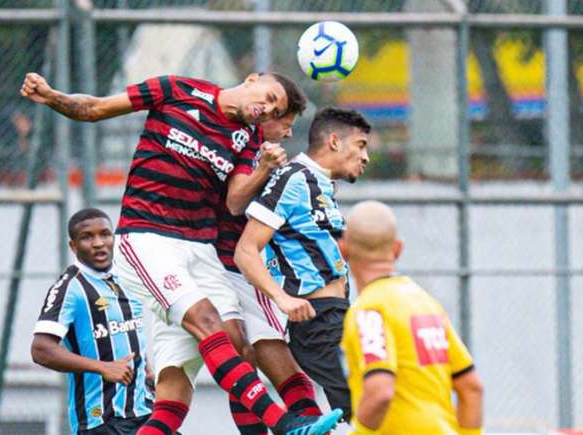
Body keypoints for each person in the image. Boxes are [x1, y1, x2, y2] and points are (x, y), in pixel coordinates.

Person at [21, 72, 343, 435]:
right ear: (251, 80)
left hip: (200, 250)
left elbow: (235, 201)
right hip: (147, 237)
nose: (267, 109)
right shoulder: (177, 90)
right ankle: (287, 425)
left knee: (224, 352)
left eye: (275, 110)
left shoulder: (248, 138)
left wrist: (265, 167)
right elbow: (96, 108)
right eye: (269, 98)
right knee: (208, 322)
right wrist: (52, 96)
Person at [150, 113, 323, 435]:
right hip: (217, 267)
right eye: (285, 121)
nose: (288, 133)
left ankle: (304, 425)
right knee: (252, 356)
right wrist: (264, 169)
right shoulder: (240, 151)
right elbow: (234, 203)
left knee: (178, 400)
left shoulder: (249, 153)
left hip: (187, 267)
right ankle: (292, 426)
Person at [235, 107, 372, 421]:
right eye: (361, 145)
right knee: (369, 407)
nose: (365, 157)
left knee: (366, 406)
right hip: (318, 321)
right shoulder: (293, 178)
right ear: (335, 141)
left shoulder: (322, 184)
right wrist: (282, 298)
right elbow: (246, 251)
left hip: (338, 316)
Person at [339, 200, 484, 434]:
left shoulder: (369, 310)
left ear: (343, 250)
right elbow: (471, 387)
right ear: (397, 249)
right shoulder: (427, 304)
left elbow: (380, 391)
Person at [31, 208, 153, 434]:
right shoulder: (69, 288)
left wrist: (147, 369)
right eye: (88, 237)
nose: (98, 243)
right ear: (73, 246)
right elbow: (40, 349)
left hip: (144, 410)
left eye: (105, 234)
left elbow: (127, 331)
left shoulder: (128, 277)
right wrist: (102, 367)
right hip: (101, 420)